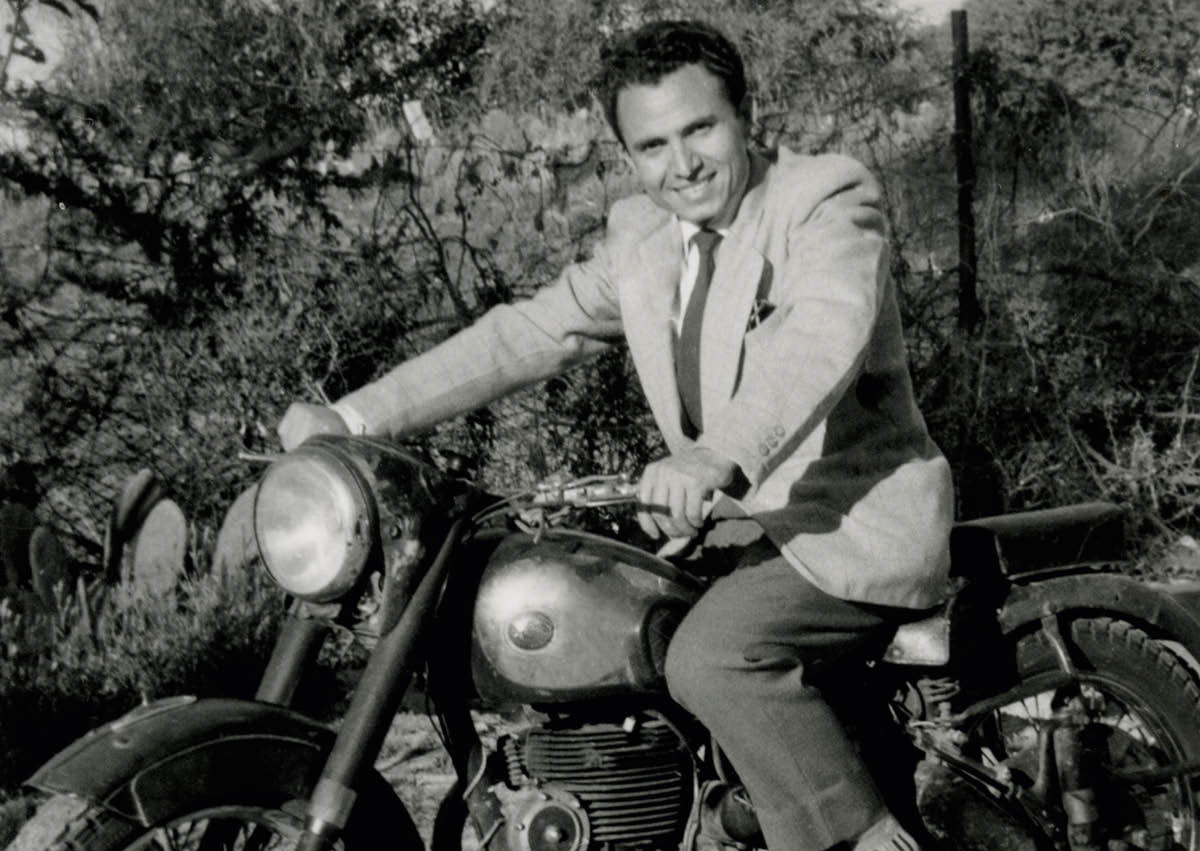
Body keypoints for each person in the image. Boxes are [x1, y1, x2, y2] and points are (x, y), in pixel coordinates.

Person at [279, 19, 953, 851]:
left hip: (846, 523)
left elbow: (819, 337)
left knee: (713, 657)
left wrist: (714, 453)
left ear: (747, 115)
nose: (683, 164)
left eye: (701, 129)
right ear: (628, 154)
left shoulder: (822, 200)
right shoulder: (645, 237)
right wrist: (352, 418)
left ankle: (865, 837)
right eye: (653, 145)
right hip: (732, 530)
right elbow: (528, 331)